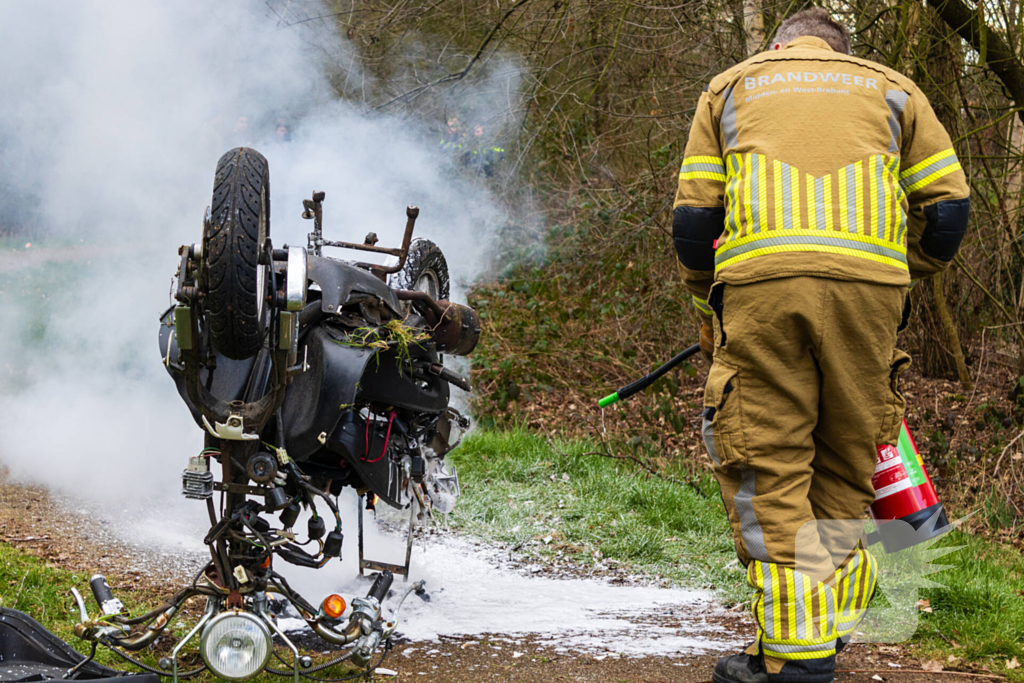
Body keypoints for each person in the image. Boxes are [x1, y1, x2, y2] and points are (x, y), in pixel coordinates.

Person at [671, 9, 969, 683]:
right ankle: (814, 634)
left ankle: (797, 655)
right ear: (840, 50)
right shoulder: (896, 88)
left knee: (768, 462)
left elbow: (694, 223)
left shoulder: (731, 87)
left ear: (779, 46)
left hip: (763, 293)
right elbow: (949, 212)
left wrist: (706, 300)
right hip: (872, 297)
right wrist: (896, 270)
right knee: (842, 462)